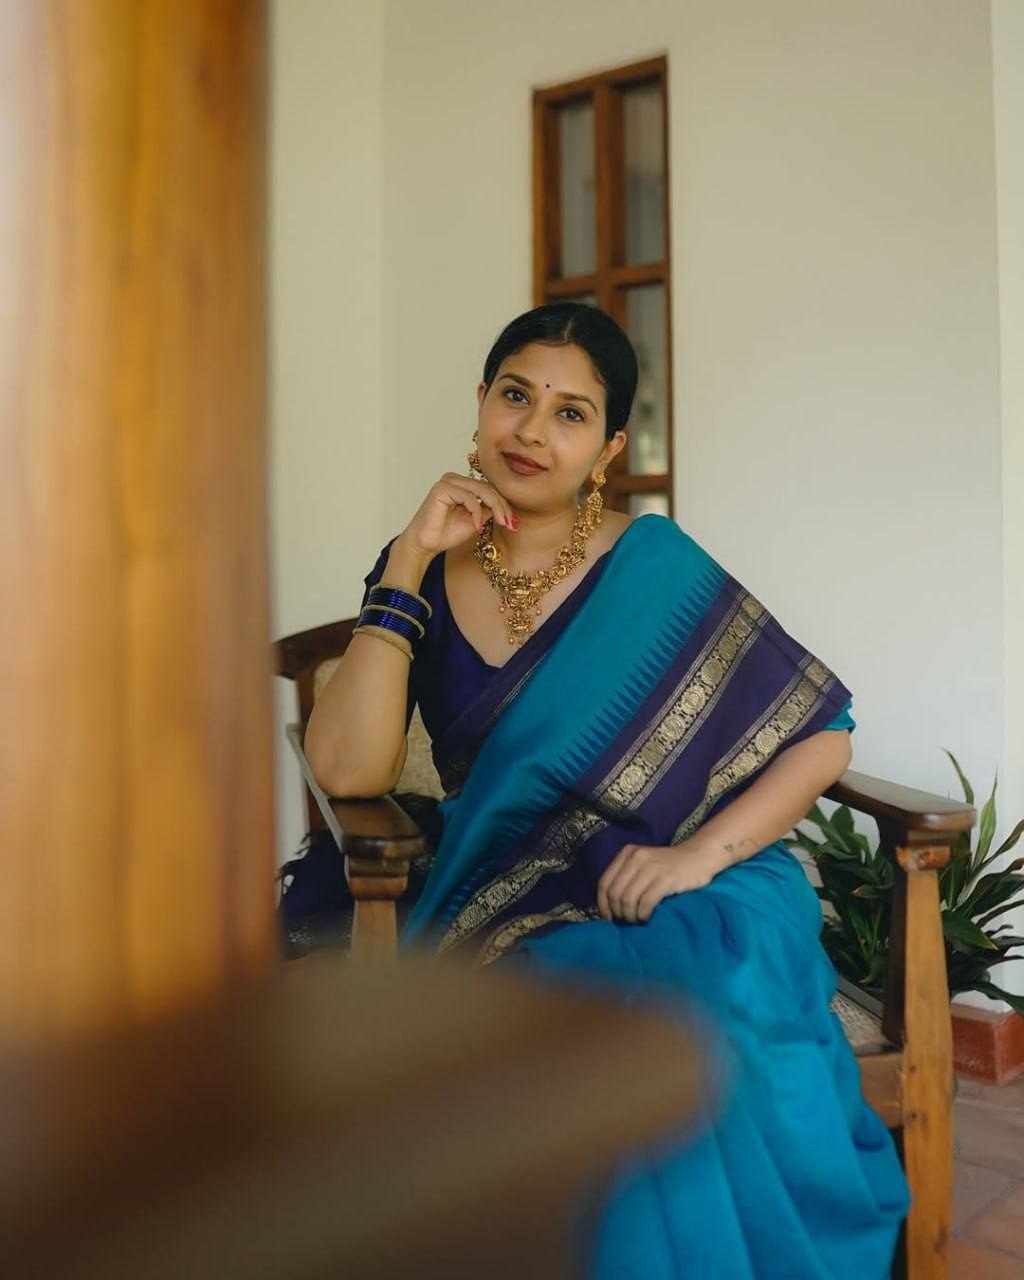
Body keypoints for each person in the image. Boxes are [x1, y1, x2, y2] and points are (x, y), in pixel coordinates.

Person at [304, 302, 910, 1277]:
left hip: (693, 880)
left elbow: (822, 737)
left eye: (571, 413)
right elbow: (346, 769)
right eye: (515, 396)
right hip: (508, 888)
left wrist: (696, 857)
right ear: (481, 401)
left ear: (610, 447)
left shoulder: (652, 562)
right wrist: (411, 555)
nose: (532, 431)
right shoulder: (420, 564)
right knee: (575, 1021)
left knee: (685, 1002)